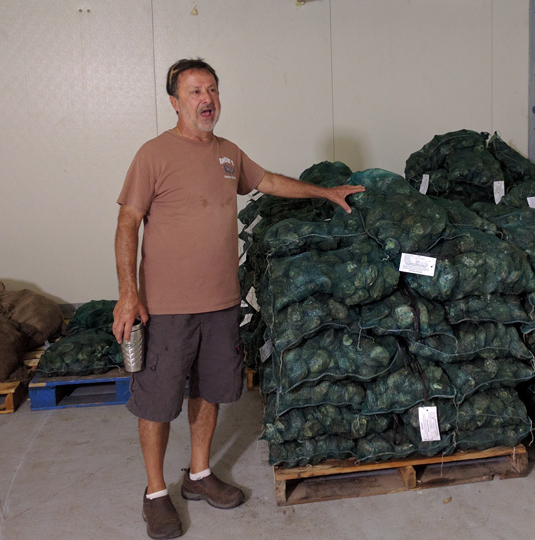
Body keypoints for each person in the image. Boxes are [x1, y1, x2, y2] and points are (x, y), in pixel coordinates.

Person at [113, 58, 364, 539]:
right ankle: (154, 493)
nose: (205, 99)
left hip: (221, 302)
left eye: (211, 90)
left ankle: (200, 475)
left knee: (210, 389)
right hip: (165, 305)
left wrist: (324, 192)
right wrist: (128, 293)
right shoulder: (154, 154)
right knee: (157, 400)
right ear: (174, 102)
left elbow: (267, 181)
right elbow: (127, 223)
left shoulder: (228, 154)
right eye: (193, 92)